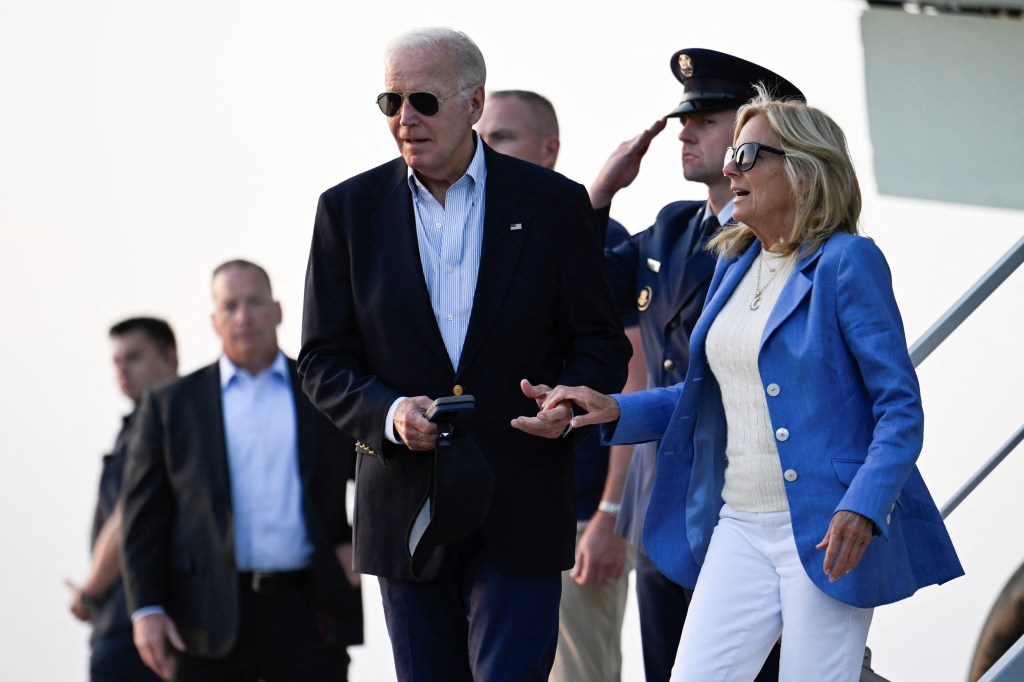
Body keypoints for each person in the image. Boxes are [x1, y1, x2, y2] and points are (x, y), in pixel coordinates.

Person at [527, 90, 965, 681]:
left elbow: (899, 410)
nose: (731, 166)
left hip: (824, 529)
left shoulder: (847, 262)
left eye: (750, 152)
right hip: (739, 524)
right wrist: (613, 410)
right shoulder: (734, 265)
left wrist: (863, 506)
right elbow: (712, 396)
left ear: (806, 173)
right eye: (732, 152)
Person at [299, 27, 630, 682]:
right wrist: (392, 414)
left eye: (423, 100)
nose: (405, 119)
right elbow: (321, 361)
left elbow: (599, 343)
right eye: (389, 102)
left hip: (523, 500)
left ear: (474, 102)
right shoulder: (347, 211)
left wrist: (568, 400)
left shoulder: (554, 204)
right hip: (405, 512)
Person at [592, 47, 799, 682]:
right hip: (662, 501)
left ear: (755, 133)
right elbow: (573, 284)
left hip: (749, 497)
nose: (684, 131)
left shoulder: (786, 236)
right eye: (686, 119)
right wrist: (602, 190)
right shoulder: (671, 230)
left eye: (707, 119)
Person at [120, 260, 362, 681]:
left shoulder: (323, 393)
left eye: (255, 302)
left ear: (280, 310)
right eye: (230, 306)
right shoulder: (171, 405)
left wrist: (361, 542)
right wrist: (146, 608)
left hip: (309, 610)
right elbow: (143, 518)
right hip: (205, 617)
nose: (244, 316)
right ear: (214, 321)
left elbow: (377, 474)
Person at [476, 89, 644, 682]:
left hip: (577, 514)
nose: (483, 146)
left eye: (502, 136)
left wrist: (610, 515)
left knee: (580, 675)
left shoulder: (598, 233)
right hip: (495, 509)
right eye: (481, 133)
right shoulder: (480, 236)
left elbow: (633, 380)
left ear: (549, 149)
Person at [67, 318, 178, 682]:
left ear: (169, 358)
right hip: (131, 621)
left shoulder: (169, 420)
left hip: (143, 626)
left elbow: (128, 516)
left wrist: (90, 593)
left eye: (133, 357)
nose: (122, 370)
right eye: (116, 361)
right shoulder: (137, 426)